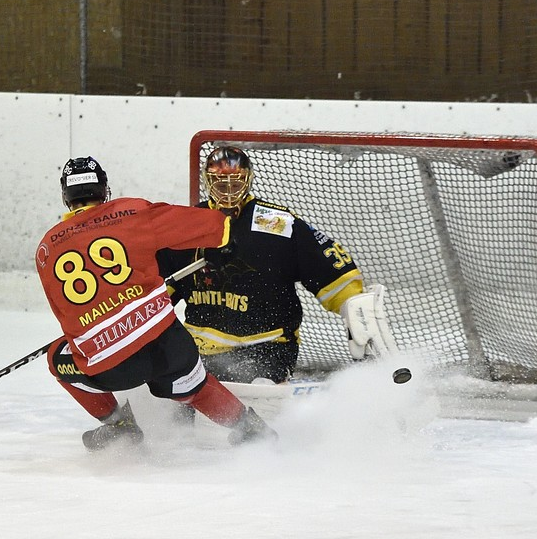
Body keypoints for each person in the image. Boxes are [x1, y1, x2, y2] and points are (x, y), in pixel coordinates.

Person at [35, 156, 276, 451]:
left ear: (66, 196)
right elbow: (217, 227)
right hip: (168, 346)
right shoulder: (130, 212)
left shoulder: (46, 249)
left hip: (111, 367)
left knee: (56, 356)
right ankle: (250, 427)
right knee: (194, 388)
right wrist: (223, 244)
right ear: (104, 189)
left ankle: (119, 426)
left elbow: (66, 316)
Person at [157, 145, 396, 390]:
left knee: (259, 394)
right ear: (208, 182)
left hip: (268, 346)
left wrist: (354, 305)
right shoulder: (185, 227)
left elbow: (332, 273)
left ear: (248, 180)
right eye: (221, 184)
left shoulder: (278, 224)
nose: (228, 192)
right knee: (180, 397)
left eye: (236, 183)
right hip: (201, 348)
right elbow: (155, 293)